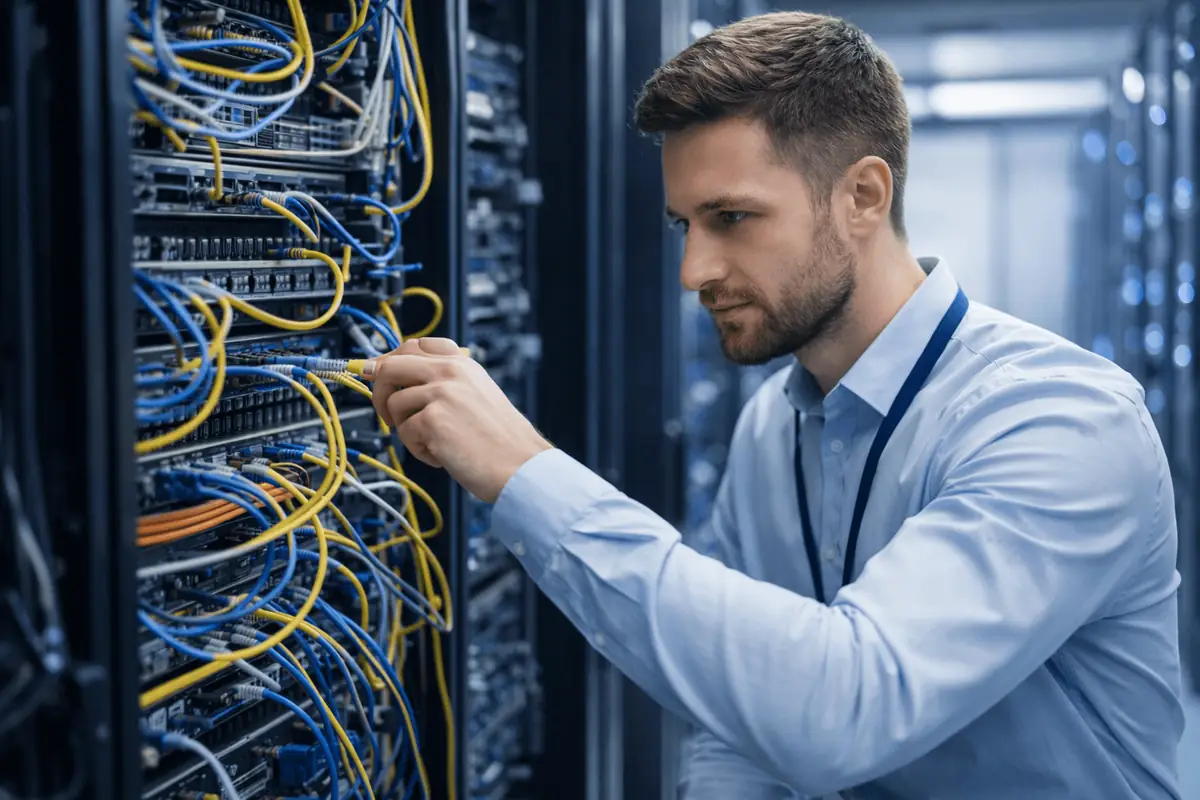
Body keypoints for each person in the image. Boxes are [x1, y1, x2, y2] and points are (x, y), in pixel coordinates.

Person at [368, 11, 1184, 799]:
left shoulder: (1060, 420)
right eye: (684, 224)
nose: (693, 270)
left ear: (863, 196)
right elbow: (740, 719)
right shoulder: (774, 424)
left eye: (732, 218)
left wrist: (526, 472)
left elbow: (848, 706)